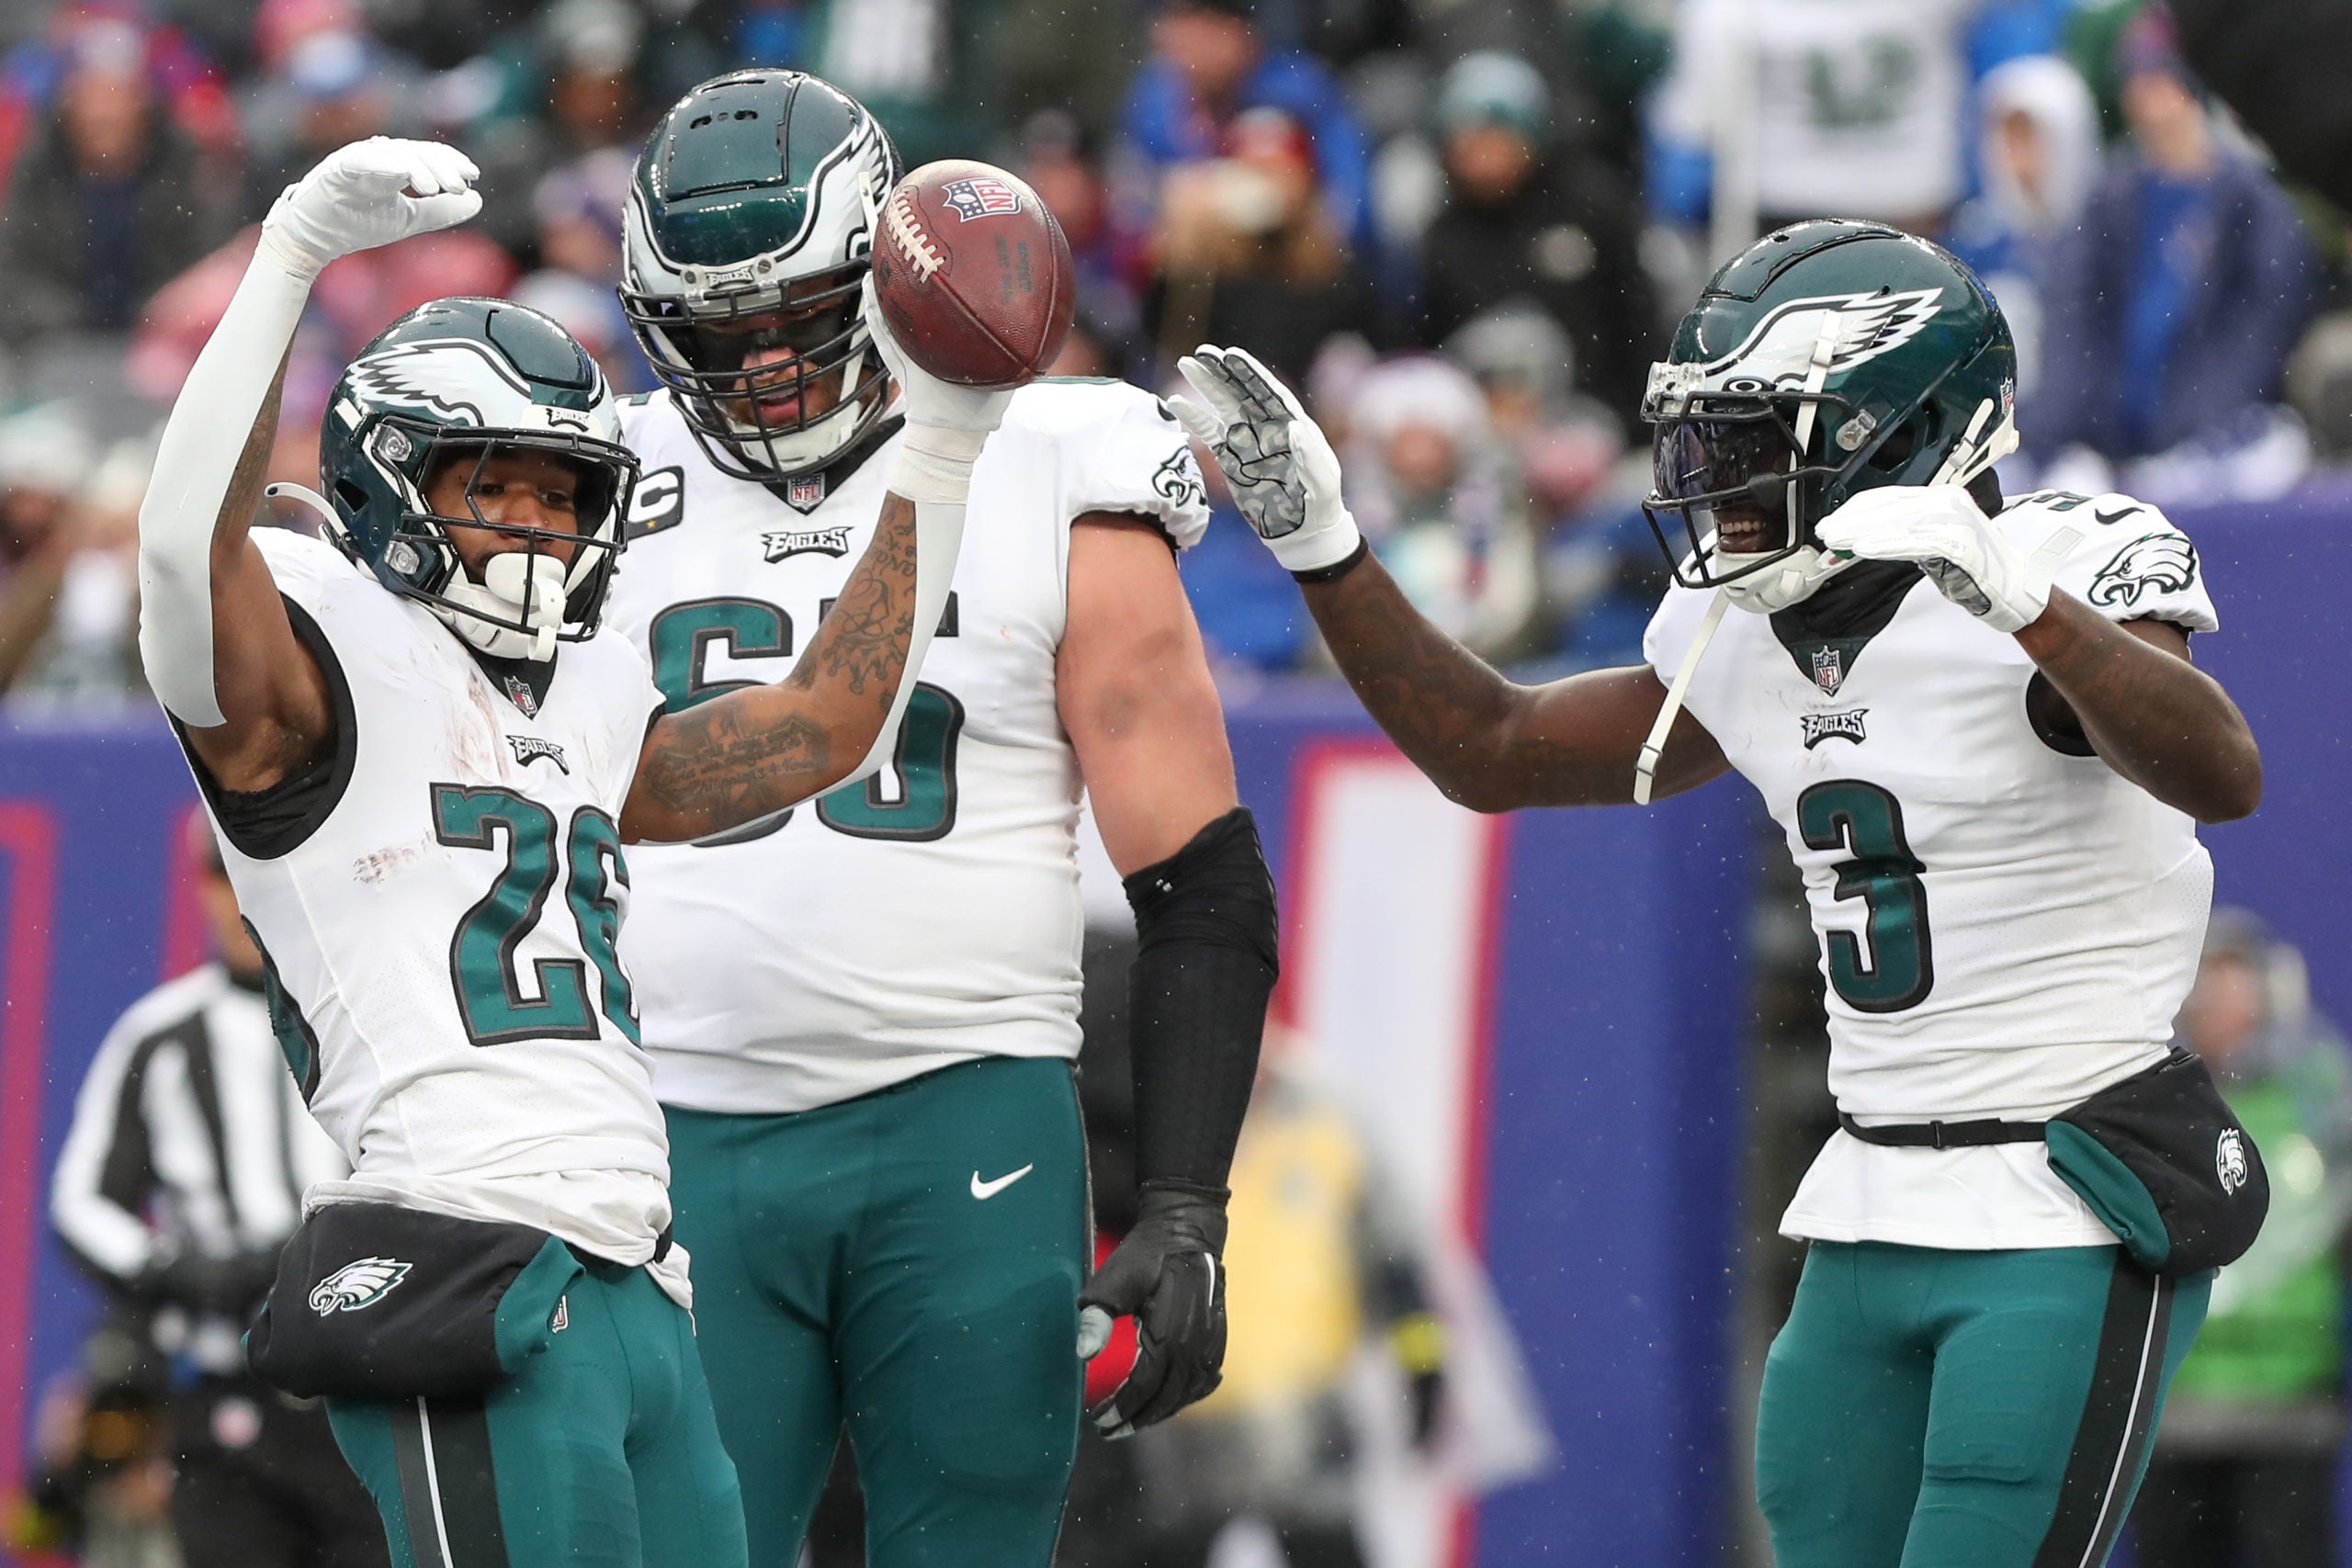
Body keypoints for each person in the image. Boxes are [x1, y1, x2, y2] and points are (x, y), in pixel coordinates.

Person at [1171, 219, 2266, 1568]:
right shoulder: (1745, 632)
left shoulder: (2065, 561)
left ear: (1901, 432)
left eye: (1753, 441)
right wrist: (1325, 545)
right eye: (1705, 442)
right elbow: (1493, 749)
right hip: (1867, 1198)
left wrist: (2026, 606)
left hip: (2066, 1194)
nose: (1714, 481)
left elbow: (2220, 771)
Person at [134, 133, 991, 1568]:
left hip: (638, 1276)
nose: (537, 525)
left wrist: (947, 441)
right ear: (387, 477)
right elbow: (178, 553)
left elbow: (823, 727)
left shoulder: (586, 695)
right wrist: (290, 255)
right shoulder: (311, 656)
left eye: (563, 492)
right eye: (496, 483)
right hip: (461, 1244)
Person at [605, 71, 1278, 1568]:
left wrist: (1185, 1201)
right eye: (718, 332)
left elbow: (1200, 878)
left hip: (964, 1114)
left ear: (888, 276)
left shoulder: (1060, 459)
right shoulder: (594, 481)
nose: (764, 365)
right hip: (670, 1123)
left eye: (796, 315)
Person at [51, 824, 381, 1568]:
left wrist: (322, 1250)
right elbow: (80, 1204)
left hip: (360, 1389)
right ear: (199, 886)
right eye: (221, 875)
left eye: (256, 873)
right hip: (222, 1392)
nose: (239, 900)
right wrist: (178, 1268)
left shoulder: (363, 1015)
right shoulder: (160, 1035)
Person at [2132, 911, 2352, 1568]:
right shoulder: (2152, 1106)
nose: (2222, 1001)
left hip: (2291, 1409)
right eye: (2206, 982)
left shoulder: (2320, 1098)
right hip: (2173, 1410)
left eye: (2236, 980)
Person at [2028, 10, 2317, 476]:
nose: (2148, 102)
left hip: (2213, 448)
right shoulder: (2110, 200)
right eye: (2137, 84)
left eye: (2160, 83)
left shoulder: (2254, 206)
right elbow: (2076, 318)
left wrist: (2193, 427)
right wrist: (2070, 429)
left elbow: (2258, 332)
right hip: (2105, 446)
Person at [1412, 51, 1655, 426]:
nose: (1483, 158)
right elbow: (1427, 348)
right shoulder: (1443, 235)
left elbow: (1637, 323)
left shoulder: (1591, 206)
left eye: (1497, 137)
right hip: (1482, 425)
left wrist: (1626, 417)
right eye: (1469, 141)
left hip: (1595, 416)